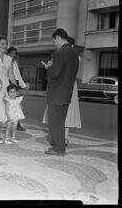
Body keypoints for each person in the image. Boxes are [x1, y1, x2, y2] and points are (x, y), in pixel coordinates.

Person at [41, 28, 79, 156]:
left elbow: (55, 73)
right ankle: (60, 147)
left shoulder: (59, 53)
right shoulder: (74, 53)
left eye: (54, 41)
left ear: (58, 37)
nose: (54, 44)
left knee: (55, 123)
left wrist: (48, 68)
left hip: (56, 94)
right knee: (60, 122)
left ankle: (58, 149)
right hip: (67, 93)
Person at [7, 46, 26, 131]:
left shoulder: (15, 63)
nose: (13, 55)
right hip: (9, 84)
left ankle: (16, 123)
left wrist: (22, 85)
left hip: (16, 84)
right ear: (8, 53)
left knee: (16, 105)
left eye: (15, 53)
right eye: (12, 53)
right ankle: (13, 123)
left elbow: (18, 75)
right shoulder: (7, 62)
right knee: (10, 105)